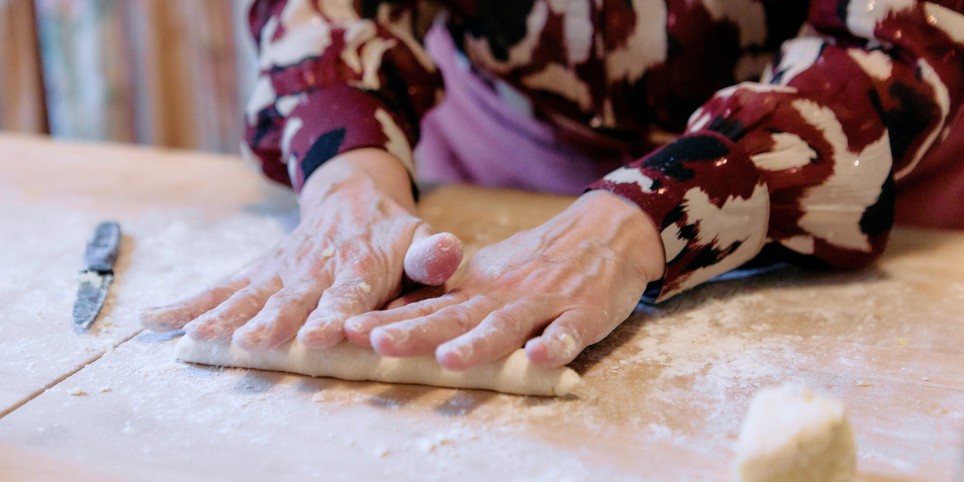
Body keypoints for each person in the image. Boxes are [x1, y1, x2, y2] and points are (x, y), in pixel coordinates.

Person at [142, 0, 964, 371]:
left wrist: (634, 220)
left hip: (843, 179)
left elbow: (893, 48)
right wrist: (347, 178)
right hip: (496, 171)